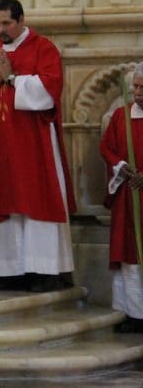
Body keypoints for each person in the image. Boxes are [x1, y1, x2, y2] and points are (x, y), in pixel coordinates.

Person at [0, 0, 75, 292]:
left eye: (7, 23)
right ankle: (4, 271)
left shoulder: (43, 47)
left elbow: (50, 88)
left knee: (35, 198)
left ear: (21, 20)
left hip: (33, 142)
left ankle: (44, 271)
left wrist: (13, 78)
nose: (1, 29)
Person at [100, 63, 143, 333]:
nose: (137, 92)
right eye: (135, 87)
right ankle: (133, 312)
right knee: (129, 255)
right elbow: (107, 147)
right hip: (128, 196)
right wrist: (120, 166)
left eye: (142, 87)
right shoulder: (120, 117)